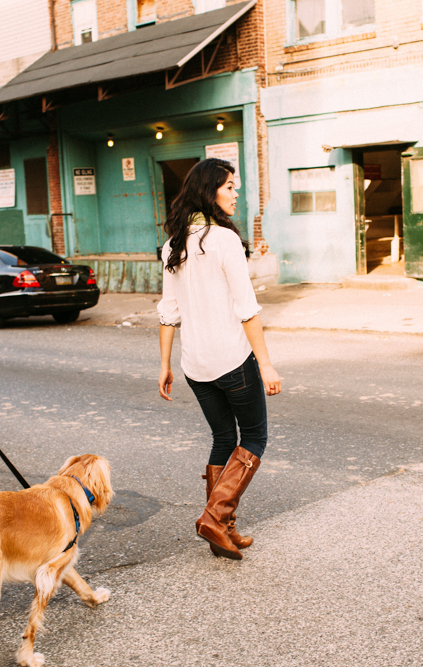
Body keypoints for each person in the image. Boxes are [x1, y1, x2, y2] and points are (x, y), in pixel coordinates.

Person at [157, 158, 282, 561]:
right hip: (231, 359)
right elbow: (247, 309)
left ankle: (221, 529)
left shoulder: (174, 244)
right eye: (229, 186)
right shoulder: (224, 240)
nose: (235, 193)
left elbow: (168, 311)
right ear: (210, 190)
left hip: (195, 365)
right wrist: (265, 364)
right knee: (254, 439)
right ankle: (216, 517)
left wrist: (165, 365)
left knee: (223, 440)